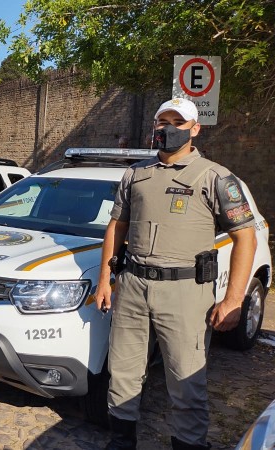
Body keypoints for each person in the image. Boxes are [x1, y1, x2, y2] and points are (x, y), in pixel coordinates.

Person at [94, 98, 257, 450]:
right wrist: (106, 279)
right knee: (122, 372)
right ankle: (121, 441)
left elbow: (246, 236)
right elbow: (116, 227)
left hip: (185, 291)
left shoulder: (214, 177)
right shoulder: (136, 174)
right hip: (134, 286)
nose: (166, 129)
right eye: (162, 121)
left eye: (177, 123)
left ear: (195, 129)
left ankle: (188, 444)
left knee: (186, 380)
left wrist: (233, 299)